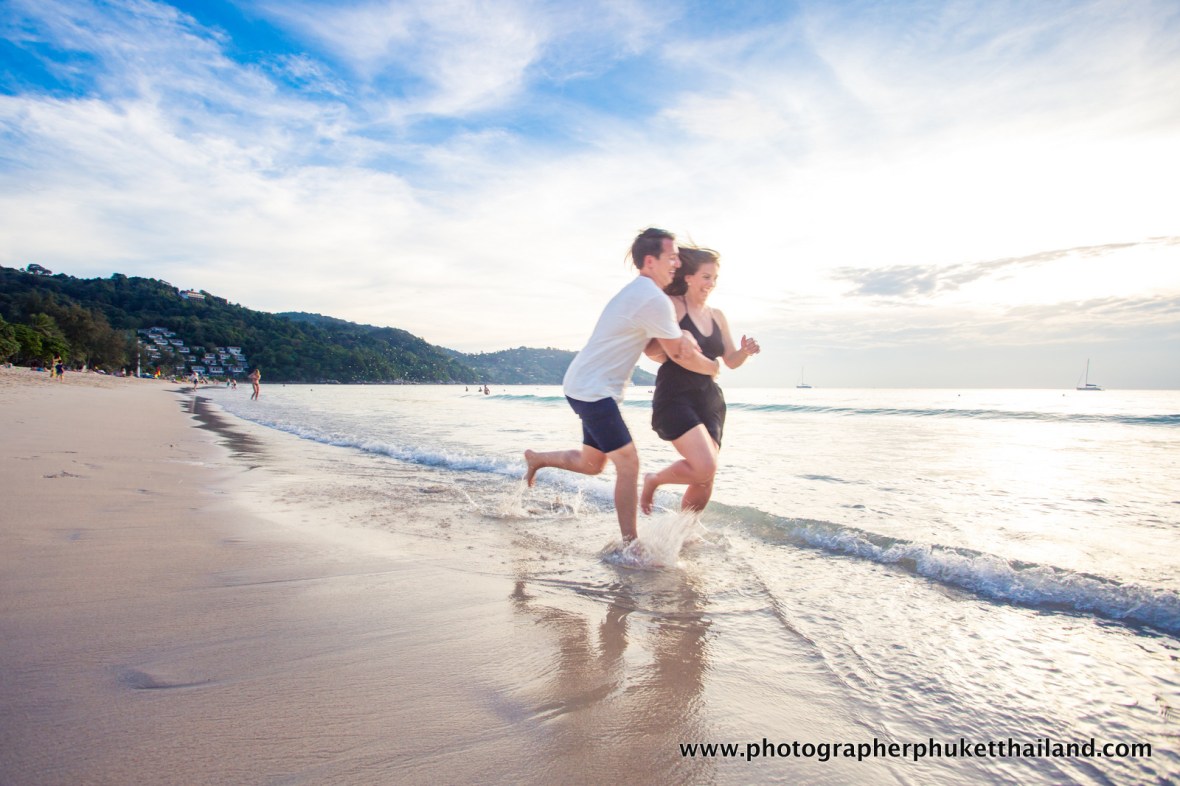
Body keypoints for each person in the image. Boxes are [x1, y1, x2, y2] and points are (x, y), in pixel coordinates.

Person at [524, 228, 722, 543]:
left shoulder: (644, 294)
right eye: (670, 257)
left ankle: (537, 458)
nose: (675, 263)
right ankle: (632, 546)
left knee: (592, 464)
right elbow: (676, 354)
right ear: (649, 260)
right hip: (592, 390)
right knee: (628, 462)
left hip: (587, 386)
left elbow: (659, 349)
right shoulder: (652, 298)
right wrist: (711, 364)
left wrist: (681, 338)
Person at [640, 246, 760, 514]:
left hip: (709, 399)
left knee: (706, 476)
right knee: (704, 464)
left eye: (714, 278)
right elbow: (650, 350)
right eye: (706, 277)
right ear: (689, 277)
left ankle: (683, 532)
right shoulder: (673, 306)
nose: (711, 284)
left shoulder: (717, 315)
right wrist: (678, 338)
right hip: (675, 394)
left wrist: (745, 352)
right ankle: (654, 479)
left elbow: (730, 361)